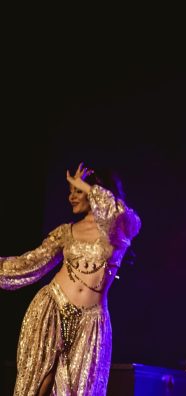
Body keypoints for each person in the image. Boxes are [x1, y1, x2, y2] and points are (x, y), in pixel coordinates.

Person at [0, 163, 141, 395]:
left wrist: (86, 186)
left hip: (90, 322)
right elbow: (28, 263)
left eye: (77, 190)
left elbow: (116, 214)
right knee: (37, 385)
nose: (71, 196)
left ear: (96, 189)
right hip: (52, 307)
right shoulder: (66, 232)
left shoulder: (121, 227)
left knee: (79, 390)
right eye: (70, 189)